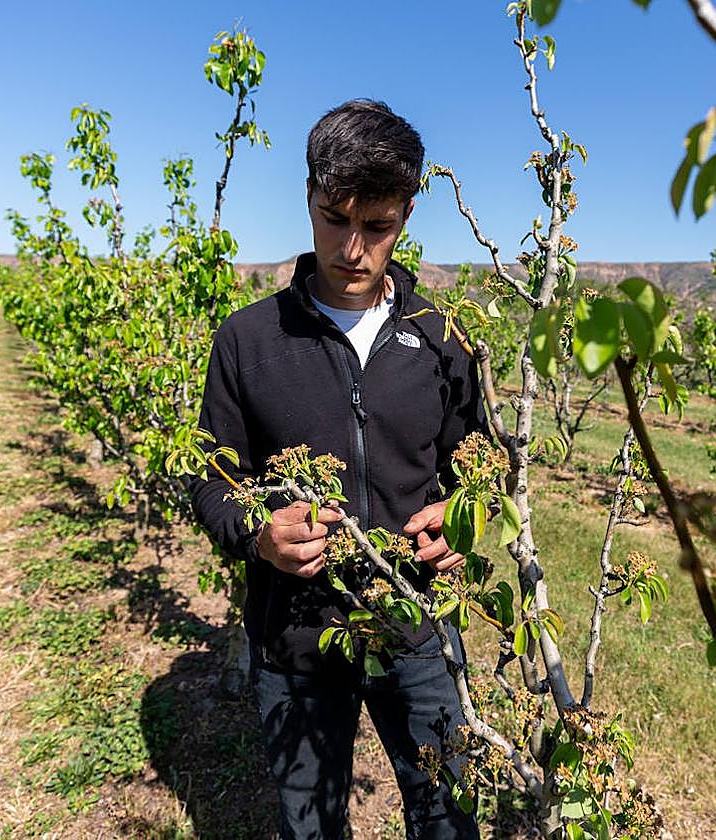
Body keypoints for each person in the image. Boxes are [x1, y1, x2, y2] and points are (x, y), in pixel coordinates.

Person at [191, 99, 484, 840]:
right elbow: (208, 477)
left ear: (408, 214)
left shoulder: (443, 340)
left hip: (415, 625)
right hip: (293, 639)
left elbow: (478, 462)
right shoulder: (247, 340)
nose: (352, 248)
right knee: (312, 825)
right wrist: (259, 532)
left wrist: (464, 518)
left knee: (448, 813)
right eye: (334, 218)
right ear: (309, 198)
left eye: (377, 226)